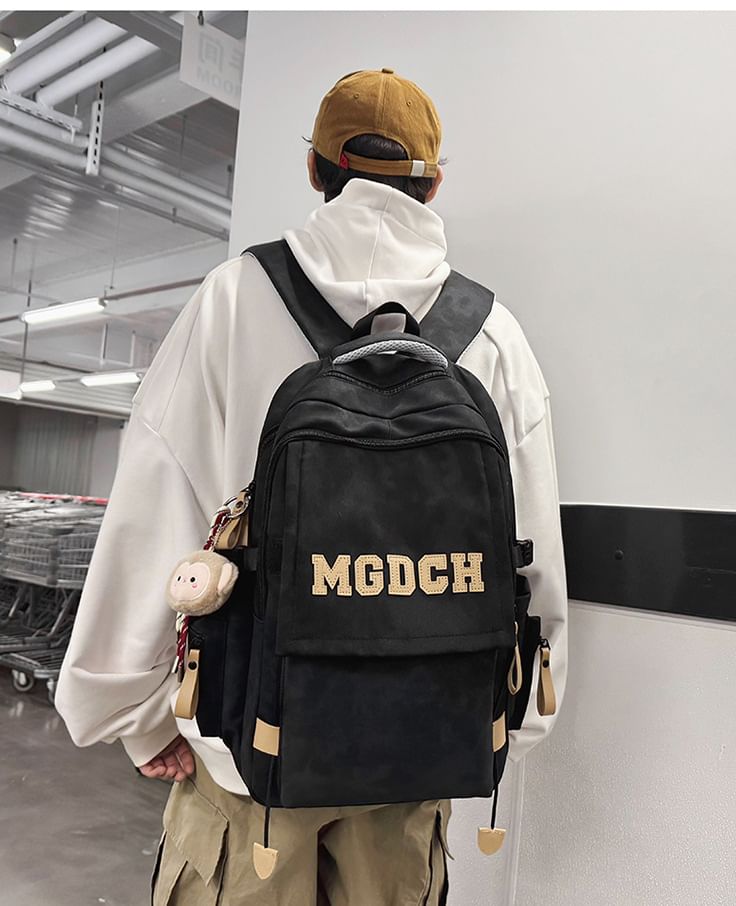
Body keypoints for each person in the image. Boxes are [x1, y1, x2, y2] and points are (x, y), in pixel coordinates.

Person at [57, 68, 568, 905]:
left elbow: (157, 505)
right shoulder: (495, 336)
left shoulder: (232, 299)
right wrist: (514, 719)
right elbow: (531, 556)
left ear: (315, 168)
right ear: (434, 184)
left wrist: (134, 715)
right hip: (417, 759)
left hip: (248, 759)